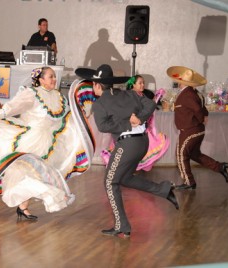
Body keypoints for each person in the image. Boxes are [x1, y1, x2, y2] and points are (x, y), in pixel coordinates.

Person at [0, 66, 94, 220]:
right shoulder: (31, 94)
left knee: (36, 175)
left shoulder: (58, 96)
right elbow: (11, 108)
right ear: (40, 80)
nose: (54, 79)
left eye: (54, 76)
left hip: (49, 142)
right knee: (21, 172)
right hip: (30, 139)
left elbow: (68, 115)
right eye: (50, 76)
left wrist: (83, 113)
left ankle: (23, 208)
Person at [75, 64, 179, 237]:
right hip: (142, 143)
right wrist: (139, 119)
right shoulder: (129, 93)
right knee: (125, 178)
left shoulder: (100, 104)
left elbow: (103, 126)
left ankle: (121, 225)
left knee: (110, 182)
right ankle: (164, 189)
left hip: (128, 145)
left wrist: (129, 123)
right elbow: (151, 105)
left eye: (93, 84)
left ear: (97, 86)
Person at [166, 66, 228, 190]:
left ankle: (189, 182)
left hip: (190, 130)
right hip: (196, 130)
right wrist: (203, 117)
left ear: (183, 82)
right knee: (195, 154)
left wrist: (201, 118)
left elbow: (197, 109)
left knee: (181, 155)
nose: (178, 82)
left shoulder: (187, 94)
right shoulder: (194, 93)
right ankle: (219, 167)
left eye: (180, 80)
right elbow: (202, 107)